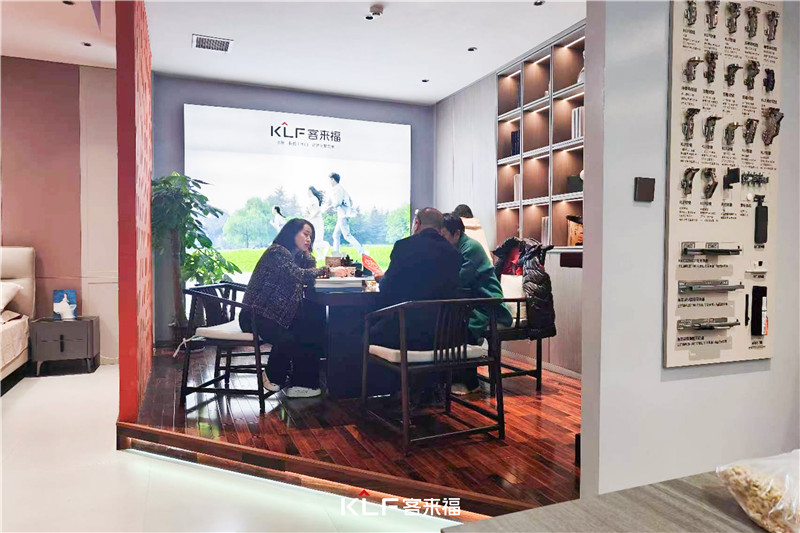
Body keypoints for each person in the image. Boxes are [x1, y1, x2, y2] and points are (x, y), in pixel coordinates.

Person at [239, 218, 347, 398]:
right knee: (294, 335)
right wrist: (328, 270)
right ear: (291, 233)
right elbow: (298, 275)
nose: (309, 239)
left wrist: (307, 254)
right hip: (255, 315)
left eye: (311, 237)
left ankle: (303, 384)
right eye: (305, 234)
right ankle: (274, 375)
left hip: (276, 313)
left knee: (311, 326)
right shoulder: (277, 252)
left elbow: (308, 274)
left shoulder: (294, 256)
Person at [442, 213, 513, 395]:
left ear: (456, 233)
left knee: (462, 327)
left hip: (487, 301)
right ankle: (451, 378)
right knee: (449, 323)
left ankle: (470, 382)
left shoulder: (470, 247)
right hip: (471, 301)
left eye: (444, 235)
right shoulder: (457, 247)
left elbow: (461, 279)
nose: (441, 240)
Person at [371, 208, 461, 350]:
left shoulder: (403, 246)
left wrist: (381, 280)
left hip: (403, 334)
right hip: (441, 337)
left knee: (363, 329)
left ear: (417, 223)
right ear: (440, 228)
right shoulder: (454, 254)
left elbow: (387, 289)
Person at [325, 172, 366, 256]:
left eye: (330, 180)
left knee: (347, 235)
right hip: (342, 215)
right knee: (335, 235)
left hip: (343, 216)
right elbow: (350, 201)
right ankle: (336, 254)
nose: (329, 182)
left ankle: (362, 252)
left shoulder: (338, 189)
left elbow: (338, 202)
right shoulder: (340, 188)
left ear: (333, 179)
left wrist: (330, 207)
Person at [304, 186, 330, 258]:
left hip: (317, 222)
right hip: (313, 221)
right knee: (313, 242)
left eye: (307, 191)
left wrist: (311, 217)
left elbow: (318, 210)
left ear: (310, 191)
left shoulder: (314, 198)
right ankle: (321, 256)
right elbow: (311, 211)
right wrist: (308, 216)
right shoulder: (310, 200)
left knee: (317, 241)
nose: (307, 193)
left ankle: (326, 247)